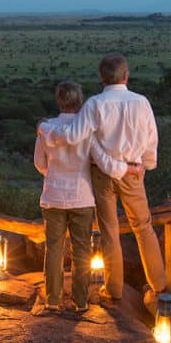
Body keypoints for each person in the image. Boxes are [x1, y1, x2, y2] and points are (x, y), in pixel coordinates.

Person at [36, 53, 164, 305]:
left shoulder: (95, 104)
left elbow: (72, 136)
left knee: (109, 231)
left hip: (102, 173)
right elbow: (151, 140)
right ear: (126, 75)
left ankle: (114, 288)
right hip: (133, 172)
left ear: (102, 78)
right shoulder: (141, 102)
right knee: (143, 226)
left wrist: (44, 128)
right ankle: (159, 285)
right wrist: (145, 165)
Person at [33, 81, 118, 313]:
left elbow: (40, 164)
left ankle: (52, 299)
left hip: (53, 196)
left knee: (54, 249)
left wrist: (54, 173)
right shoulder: (87, 131)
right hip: (81, 197)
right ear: (79, 101)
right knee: (82, 250)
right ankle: (80, 302)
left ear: (59, 101)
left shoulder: (47, 129)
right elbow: (96, 161)